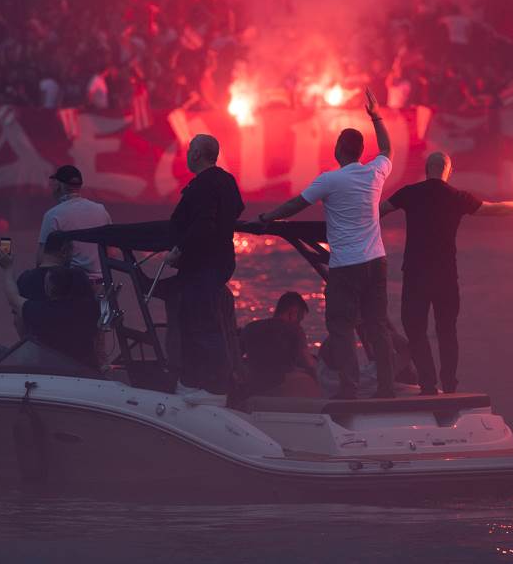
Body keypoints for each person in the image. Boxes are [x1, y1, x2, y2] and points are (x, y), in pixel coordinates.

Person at [254, 88, 395, 399]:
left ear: (338, 151)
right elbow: (387, 149)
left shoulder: (330, 180)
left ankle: (350, 388)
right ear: (360, 151)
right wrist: (376, 115)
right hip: (377, 261)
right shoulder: (374, 172)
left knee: (342, 326)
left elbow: (295, 205)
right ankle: (387, 387)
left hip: (347, 266)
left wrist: (268, 218)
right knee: (377, 326)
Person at [379, 151, 513, 394]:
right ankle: (449, 385)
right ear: (448, 171)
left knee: (415, 329)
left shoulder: (409, 192)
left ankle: (427, 383)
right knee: (446, 330)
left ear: (427, 169)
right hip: (446, 275)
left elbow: (377, 210)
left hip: (415, 274)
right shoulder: (456, 197)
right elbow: (497, 210)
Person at [165, 134, 245, 400]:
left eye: (189, 149)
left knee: (202, 324)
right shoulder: (227, 181)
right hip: (221, 260)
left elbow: (202, 224)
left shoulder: (201, 187)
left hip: (201, 264)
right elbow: (238, 209)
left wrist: (179, 249)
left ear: (198, 154)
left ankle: (213, 387)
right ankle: (204, 383)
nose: (187, 154)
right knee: (204, 321)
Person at [0, 250, 99, 369]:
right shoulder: (88, 308)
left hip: (52, 369)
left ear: (49, 289)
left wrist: (7, 269)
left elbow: (13, 298)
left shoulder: (42, 312)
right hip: (85, 370)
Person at [38, 164, 111, 280]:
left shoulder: (53, 215)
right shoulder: (101, 210)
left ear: (59, 186)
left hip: (72, 286)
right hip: (103, 284)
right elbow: (111, 252)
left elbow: (41, 259)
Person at [239, 291, 319, 397]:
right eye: (299, 319)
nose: (299, 323)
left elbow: (236, 356)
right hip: (279, 386)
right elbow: (308, 363)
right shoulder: (294, 330)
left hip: (254, 384)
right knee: (311, 376)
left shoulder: (250, 328)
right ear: (292, 313)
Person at [17, 231, 93, 301]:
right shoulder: (77, 277)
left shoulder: (24, 279)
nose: (72, 255)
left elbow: (18, 313)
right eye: (72, 250)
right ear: (64, 251)